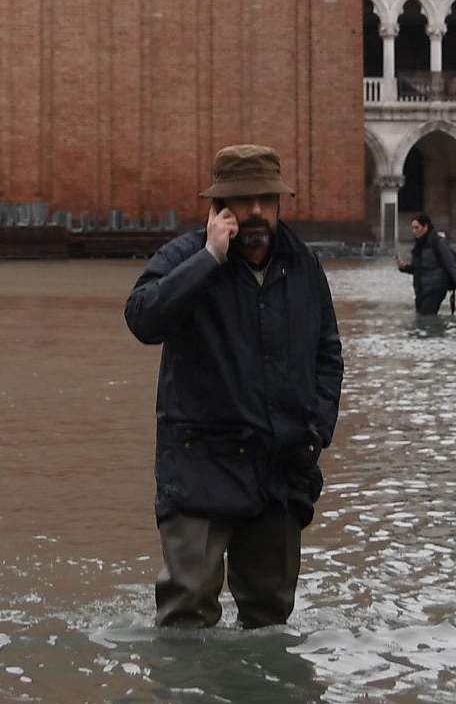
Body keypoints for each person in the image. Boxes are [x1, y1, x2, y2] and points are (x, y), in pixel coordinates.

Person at [124, 143, 344, 630]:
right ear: (218, 207)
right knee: (188, 606)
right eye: (244, 201)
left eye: (267, 198)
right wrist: (208, 259)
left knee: (270, 614)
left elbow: (328, 353)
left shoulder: (303, 265)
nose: (258, 212)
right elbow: (142, 320)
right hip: (201, 463)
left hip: (279, 467)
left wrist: (316, 431)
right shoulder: (184, 258)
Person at [401, 214, 456, 315]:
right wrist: (404, 267)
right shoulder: (418, 245)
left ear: (425, 227)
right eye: (413, 228)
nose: (414, 231)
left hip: (435, 289)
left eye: (416, 227)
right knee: (421, 317)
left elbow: (451, 264)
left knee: (426, 317)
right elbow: (417, 268)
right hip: (421, 289)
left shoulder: (438, 243)